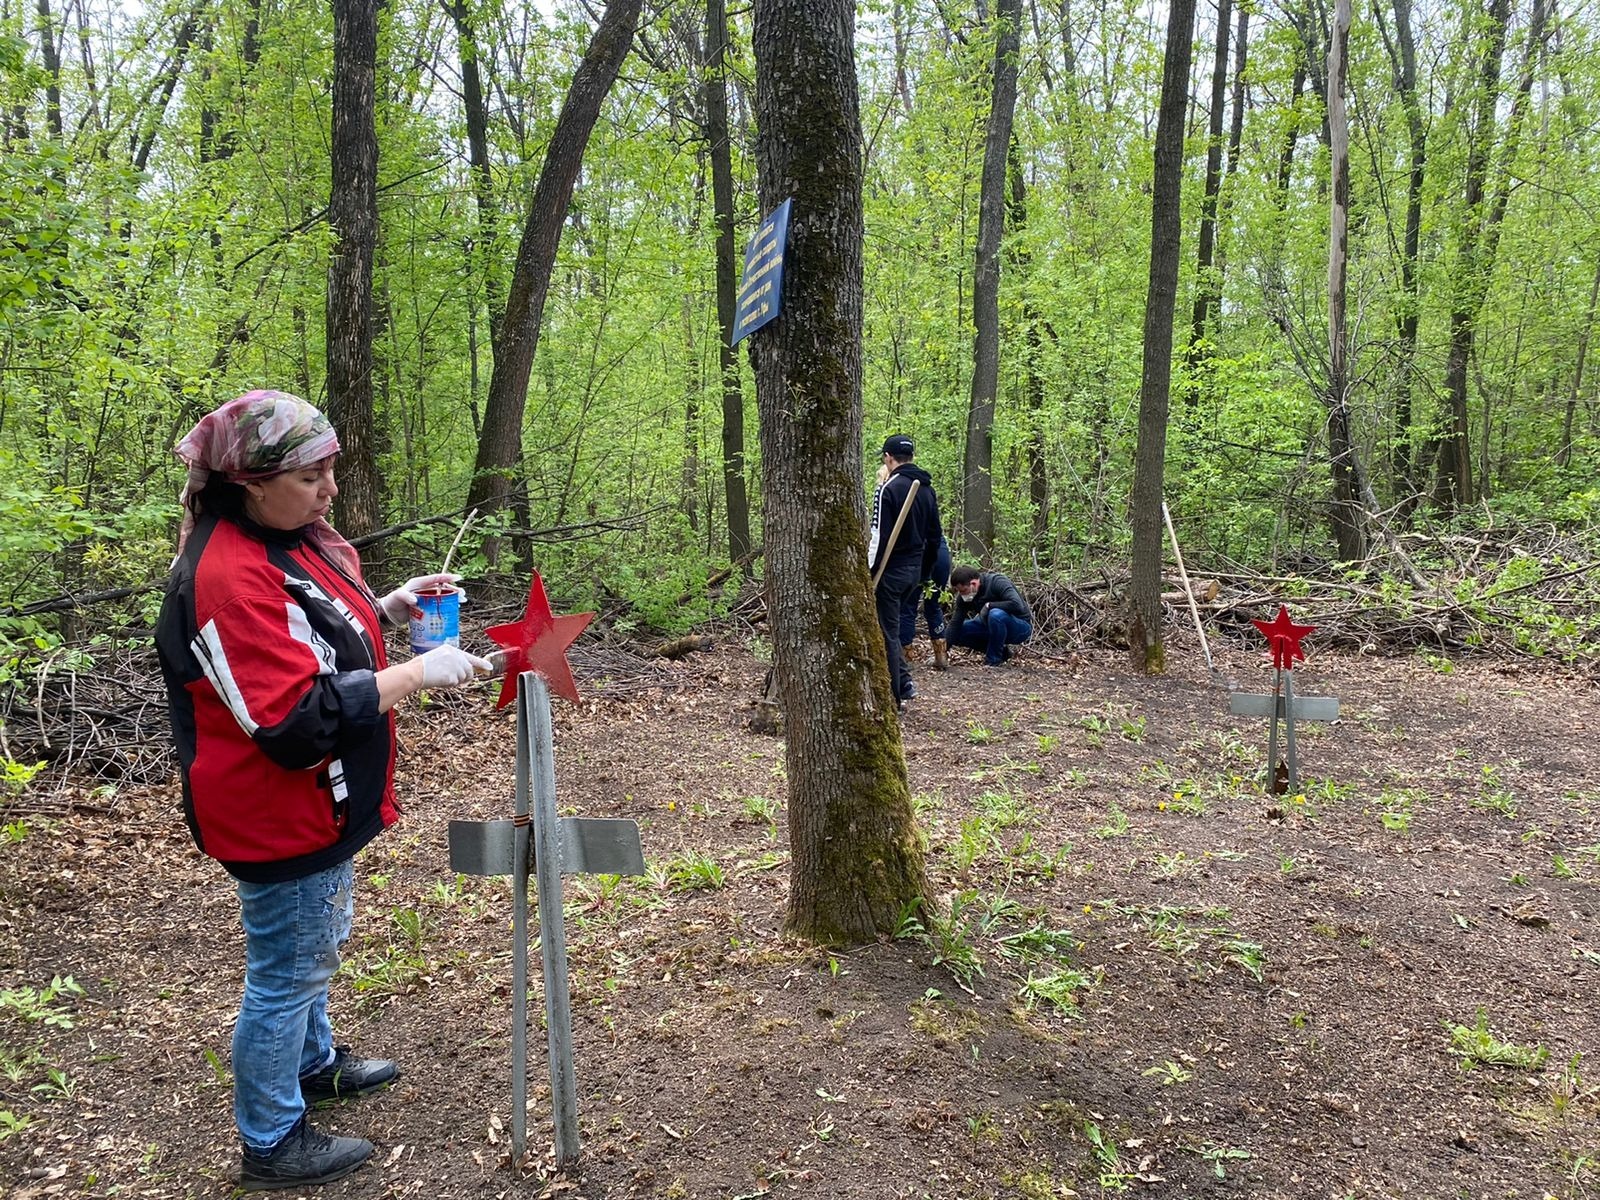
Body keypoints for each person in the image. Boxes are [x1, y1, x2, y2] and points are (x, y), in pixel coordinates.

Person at [155, 390, 491, 1191]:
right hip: (279, 811)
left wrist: (388, 605)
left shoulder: (284, 538)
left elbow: (307, 633)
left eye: (332, 468)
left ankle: (313, 1064)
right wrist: (413, 673)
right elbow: (291, 723)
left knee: (316, 946)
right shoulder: (229, 578)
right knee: (288, 971)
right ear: (250, 483)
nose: (330, 489)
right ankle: (271, 1139)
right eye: (313, 475)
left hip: (323, 805)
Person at [867, 434, 942, 705]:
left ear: (888, 457)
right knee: (893, 629)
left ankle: (894, 697)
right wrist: (925, 571)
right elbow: (935, 537)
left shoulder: (890, 488)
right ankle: (905, 683)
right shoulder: (926, 489)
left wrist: (870, 572)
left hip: (891, 570)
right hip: (914, 570)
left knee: (887, 631)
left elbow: (879, 535)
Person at [948, 564, 1034, 666]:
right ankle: (1003, 653)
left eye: (963, 591)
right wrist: (942, 651)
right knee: (958, 631)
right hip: (988, 625)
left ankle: (993, 661)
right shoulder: (964, 597)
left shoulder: (997, 582)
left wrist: (990, 605)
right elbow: (955, 623)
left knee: (996, 614)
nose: (962, 594)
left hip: (1019, 626)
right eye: (959, 592)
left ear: (974, 584)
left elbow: (1017, 604)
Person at [900, 533, 951, 671]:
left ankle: (906, 659)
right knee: (934, 606)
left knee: (907, 607)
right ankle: (941, 657)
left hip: (917, 551)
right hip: (940, 552)